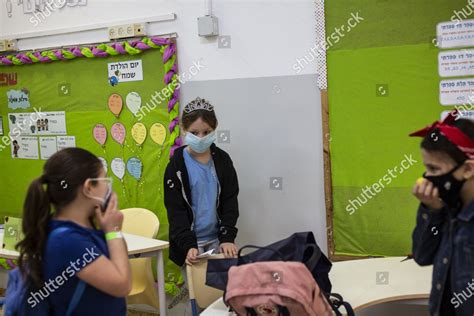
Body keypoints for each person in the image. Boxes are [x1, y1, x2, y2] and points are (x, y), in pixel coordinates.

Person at [16, 148, 131, 315]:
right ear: (89, 187)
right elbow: (122, 285)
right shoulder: (67, 240)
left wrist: (110, 229)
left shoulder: (85, 230)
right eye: (104, 179)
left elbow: (119, 261)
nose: (108, 186)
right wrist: (114, 231)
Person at [410, 110, 474, 316]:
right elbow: (421, 256)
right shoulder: (446, 209)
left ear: (467, 170)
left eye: (434, 169)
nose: (427, 177)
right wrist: (432, 210)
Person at [164, 97, 240, 267]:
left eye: (206, 132)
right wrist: (188, 245)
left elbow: (230, 201)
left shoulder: (223, 161)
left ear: (214, 129)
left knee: (222, 291)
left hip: (218, 241)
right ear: (183, 129)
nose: (200, 138)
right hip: (189, 245)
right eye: (194, 132)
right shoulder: (175, 167)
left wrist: (227, 238)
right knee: (195, 292)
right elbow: (175, 211)